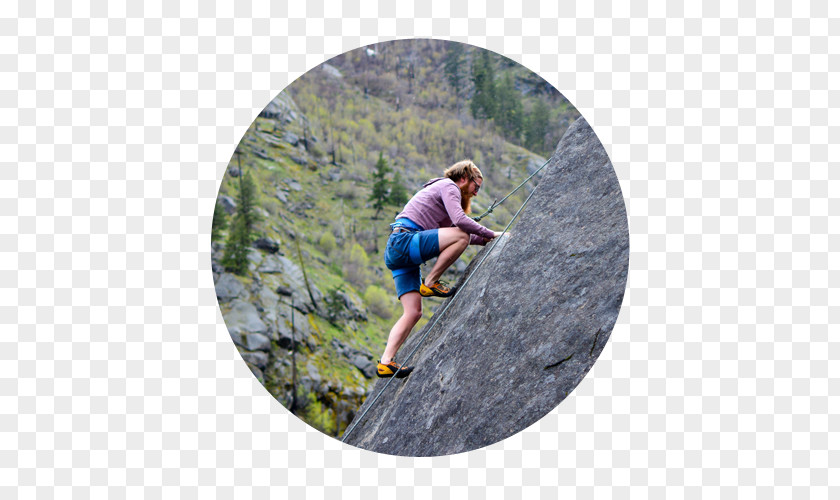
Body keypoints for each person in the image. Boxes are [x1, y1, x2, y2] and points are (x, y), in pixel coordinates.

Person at [377, 160, 502, 378]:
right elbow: (460, 223)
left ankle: (385, 362)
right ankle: (431, 282)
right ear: (464, 178)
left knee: (413, 312)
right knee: (461, 234)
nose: (476, 193)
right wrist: (490, 233)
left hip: (398, 251)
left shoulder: (441, 196)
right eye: (476, 187)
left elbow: (454, 232)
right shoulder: (449, 186)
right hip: (405, 241)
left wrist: (488, 238)